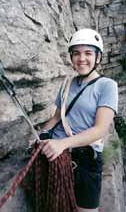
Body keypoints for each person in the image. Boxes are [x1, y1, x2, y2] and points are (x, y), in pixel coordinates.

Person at [39, 28, 118, 212]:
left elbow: (99, 130)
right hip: (57, 154)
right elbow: (57, 117)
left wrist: (63, 144)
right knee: (55, 205)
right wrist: (41, 134)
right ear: (72, 58)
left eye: (88, 53)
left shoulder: (107, 86)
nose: (81, 58)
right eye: (76, 53)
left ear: (98, 57)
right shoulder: (67, 83)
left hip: (85, 159)